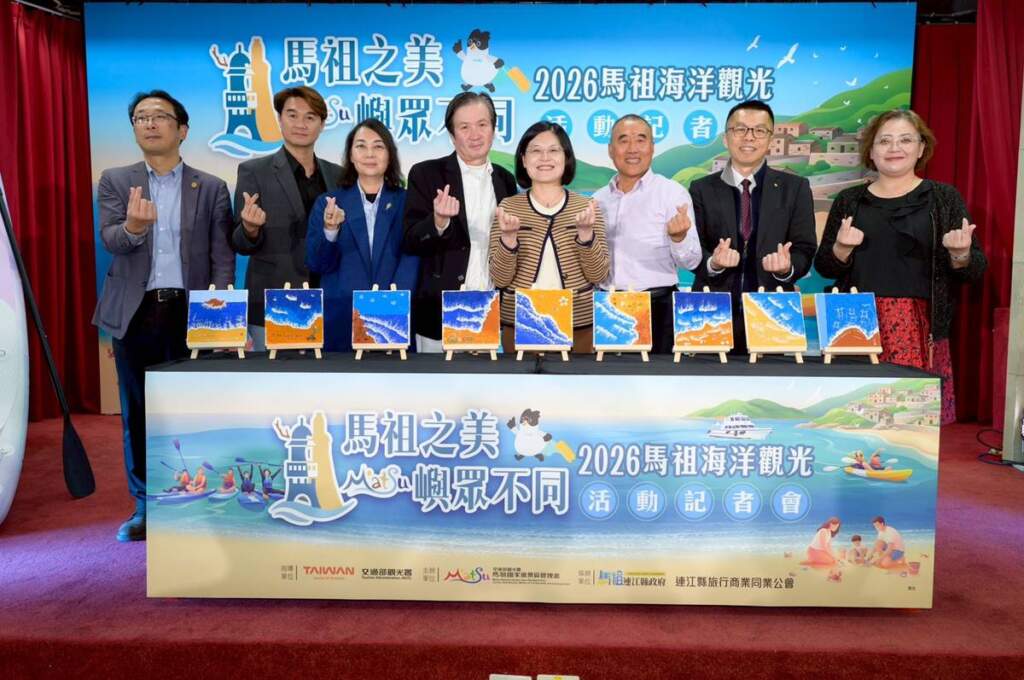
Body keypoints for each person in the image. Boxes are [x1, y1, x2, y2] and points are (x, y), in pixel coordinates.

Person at [93, 90, 234, 541]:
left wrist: (221, 318)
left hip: (192, 313)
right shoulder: (116, 180)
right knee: (138, 410)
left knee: (196, 409)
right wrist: (134, 228)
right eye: (141, 117)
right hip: (136, 312)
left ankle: (201, 494)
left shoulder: (210, 186)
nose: (150, 124)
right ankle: (146, 506)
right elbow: (111, 240)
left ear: (182, 129)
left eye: (159, 116)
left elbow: (222, 257)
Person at [814, 109, 986, 424]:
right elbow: (825, 266)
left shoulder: (944, 198)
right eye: (884, 141)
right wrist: (842, 248)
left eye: (906, 140)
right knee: (853, 419)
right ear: (871, 151)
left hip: (919, 325)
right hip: (856, 323)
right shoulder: (849, 200)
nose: (895, 148)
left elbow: (974, 269)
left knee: (909, 421)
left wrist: (960, 254)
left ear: (921, 148)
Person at [690, 100, 816, 351]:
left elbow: (805, 247)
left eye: (759, 130)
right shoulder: (701, 188)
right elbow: (692, 249)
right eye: (740, 129)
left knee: (772, 374)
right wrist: (713, 262)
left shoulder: (795, 188)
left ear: (770, 140)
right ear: (726, 138)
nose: (749, 137)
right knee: (706, 373)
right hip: (711, 309)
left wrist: (786, 268)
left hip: (774, 309)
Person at [402, 92, 518, 352]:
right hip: (439, 314)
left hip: (490, 311)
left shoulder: (505, 180)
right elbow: (410, 240)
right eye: (464, 127)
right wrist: (438, 221)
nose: (475, 134)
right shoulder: (426, 174)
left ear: (493, 129)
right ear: (452, 135)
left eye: (482, 124)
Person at [230, 86, 342, 350]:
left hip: (328, 297)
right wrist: (249, 228)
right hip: (274, 300)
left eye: (310, 117)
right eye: (292, 115)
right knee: (273, 377)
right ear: (280, 119)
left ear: (322, 124)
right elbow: (239, 243)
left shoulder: (338, 175)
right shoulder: (254, 171)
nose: (300, 124)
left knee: (328, 376)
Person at [488, 121, 610, 352]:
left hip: (578, 325)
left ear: (566, 158)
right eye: (536, 151)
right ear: (524, 160)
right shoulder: (508, 207)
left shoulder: (587, 207)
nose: (545, 158)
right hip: (521, 324)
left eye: (554, 150)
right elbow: (500, 279)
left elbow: (599, 275)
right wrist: (509, 241)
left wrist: (586, 236)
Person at [306, 118, 418, 351]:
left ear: (390, 155)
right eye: (361, 146)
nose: (369, 154)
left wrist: (391, 305)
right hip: (342, 319)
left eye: (378, 146)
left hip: (393, 320)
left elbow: (412, 259)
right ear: (350, 155)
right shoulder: (328, 203)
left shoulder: (407, 201)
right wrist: (330, 230)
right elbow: (317, 264)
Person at [593, 115, 701, 352]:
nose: (632, 148)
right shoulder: (597, 200)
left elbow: (692, 262)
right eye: (623, 140)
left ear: (652, 147)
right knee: (605, 375)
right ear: (610, 150)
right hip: (608, 308)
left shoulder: (672, 194)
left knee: (659, 376)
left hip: (658, 308)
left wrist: (679, 238)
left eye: (641, 140)